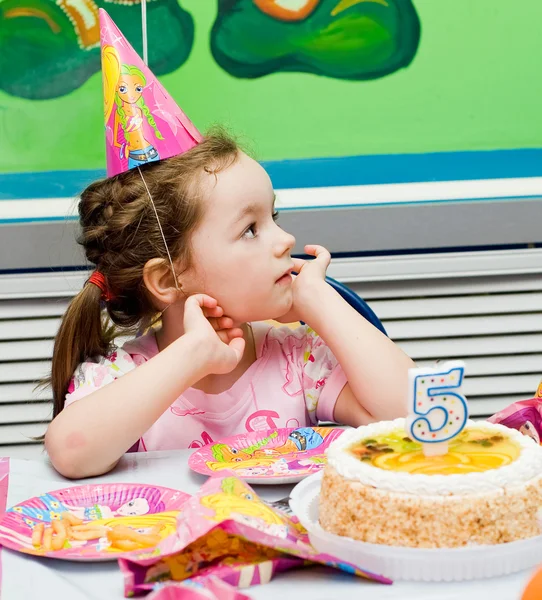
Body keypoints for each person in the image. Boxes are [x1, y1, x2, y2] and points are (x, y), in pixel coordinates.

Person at [44, 10, 415, 479]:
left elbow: (411, 417)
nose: (286, 240)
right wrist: (193, 354)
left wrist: (323, 303)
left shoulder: (296, 359)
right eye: (250, 229)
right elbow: (71, 453)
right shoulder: (124, 376)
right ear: (168, 277)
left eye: (273, 217)